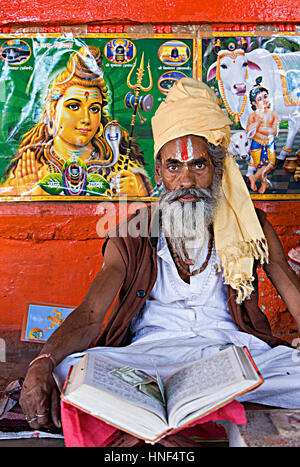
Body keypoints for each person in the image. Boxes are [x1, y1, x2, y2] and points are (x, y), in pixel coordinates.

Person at [19, 78, 300, 446]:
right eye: (173, 167)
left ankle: (167, 427)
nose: (186, 180)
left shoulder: (249, 226)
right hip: (150, 359)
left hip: (235, 355)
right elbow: (91, 314)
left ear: (217, 169)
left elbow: (290, 286)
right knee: (68, 373)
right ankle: (193, 421)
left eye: (198, 165)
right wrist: (42, 362)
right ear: (159, 173)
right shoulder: (131, 235)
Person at [1, 46, 152, 197]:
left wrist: (137, 194)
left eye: (94, 109)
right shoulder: (31, 167)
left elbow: (147, 214)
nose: (86, 119)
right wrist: (23, 195)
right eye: (73, 106)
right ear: (53, 111)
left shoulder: (119, 168)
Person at [246, 79, 279, 194]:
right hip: (257, 143)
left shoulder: (273, 114)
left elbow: (273, 130)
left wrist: (258, 128)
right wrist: (256, 124)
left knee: (271, 164)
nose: (264, 100)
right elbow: (249, 130)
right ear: (254, 103)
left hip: (269, 143)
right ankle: (264, 183)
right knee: (260, 166)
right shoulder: (253, 116)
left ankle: (254, 178)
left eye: (265, 96)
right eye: (260, 99)